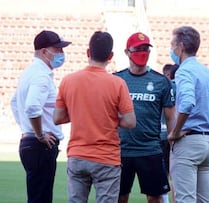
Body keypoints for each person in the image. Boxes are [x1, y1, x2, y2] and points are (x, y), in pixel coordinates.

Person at [53, 31, 136, 203]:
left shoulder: (69, 80)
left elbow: (57, 118)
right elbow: (130, 121)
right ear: (110, 56)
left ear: (88, 52)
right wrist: (109, 116)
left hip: (78, 154)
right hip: (106, 157)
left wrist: (80, 112)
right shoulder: (117, 83)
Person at [167, 26, 209, 203]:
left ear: (181, 46)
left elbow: (187, 103)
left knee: (185, 199)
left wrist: (175, 131)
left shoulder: (184, 71)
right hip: (206, 142)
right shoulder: (206, 71)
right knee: (204, 199)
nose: (172, 49)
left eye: (173, 44)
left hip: (187, 142)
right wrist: (207, 127)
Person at [113, 32, 175, 203]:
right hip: (120, 151)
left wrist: (172, 143)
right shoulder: (116, 79)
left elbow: (171, 118)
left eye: (146, 48)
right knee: (119, 197)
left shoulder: (161, 81)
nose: (142, 52)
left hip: (151, 150)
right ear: (127, 52)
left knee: (155, 198)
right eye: (138, 48)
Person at [10, 30, 71, 203]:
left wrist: (26, 129)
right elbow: (31, 107)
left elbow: (14, 103)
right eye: (57, 49)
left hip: (31, 143)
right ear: (44, 52)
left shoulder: (29, 73)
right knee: (41, 198)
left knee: (37, 196)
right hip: (40, 146)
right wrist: (39, 134)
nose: (61, 53)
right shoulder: (41, 76)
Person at [160, 64, 178, 203]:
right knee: (172, 173)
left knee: (167, 173)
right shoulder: (180, 87)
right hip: (171, 135)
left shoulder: (163, 86)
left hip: (166, 135)